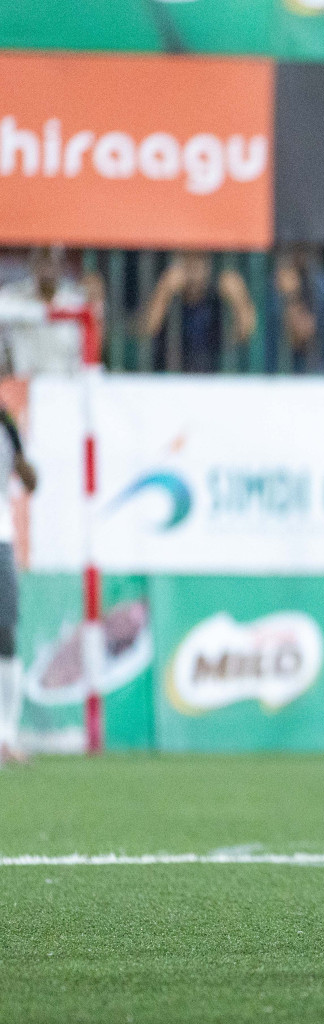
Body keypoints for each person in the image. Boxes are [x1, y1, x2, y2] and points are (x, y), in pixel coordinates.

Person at [140, 251, 255, 373]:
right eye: (188, 262)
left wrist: (239, 300)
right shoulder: (170, 297)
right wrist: (164, 291)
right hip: (169, 379)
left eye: (200, 262)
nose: (194, 270)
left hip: (212, 380)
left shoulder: (218, 298)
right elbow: (147, 330)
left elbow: (244, 334)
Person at [0, 404, 38, 765]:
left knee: (5, 635)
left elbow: (30, 480)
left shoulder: (7, 426)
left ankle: (6, 736)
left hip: (1, 540)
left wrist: (24, 467)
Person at [0, 248, 92, 376]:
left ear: (62, 266)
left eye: (52, 262)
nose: (47, 269)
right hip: (24, 385)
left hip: (64, 385)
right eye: (42, 262)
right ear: (32, 265)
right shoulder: (13, 296)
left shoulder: (75, 302)